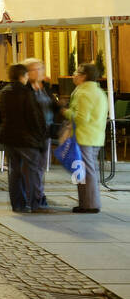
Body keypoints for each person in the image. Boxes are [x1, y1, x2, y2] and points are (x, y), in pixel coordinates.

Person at [0, 63, 49, 213]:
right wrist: (40, 137)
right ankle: (35, 203)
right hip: (26, 139)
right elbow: (34, 117)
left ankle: (17, 204)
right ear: (22, 76)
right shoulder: (26, 93)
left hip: (9, 137)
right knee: (32, 171)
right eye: (26, 75)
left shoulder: (3, 92)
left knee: (14, 172)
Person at [64, 63, 108, 213]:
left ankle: (90, 205)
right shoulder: (97, 91)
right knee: (85, 171)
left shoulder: (84, 93)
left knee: (86, 172)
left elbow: (81, 118)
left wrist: (65, 112)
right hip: (94, 136)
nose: (74, 75)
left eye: (76, 73)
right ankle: (86, 203)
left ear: (83, 76)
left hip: (84, 137)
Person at [25, 57, 60, 204]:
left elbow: (52, 104)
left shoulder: (45, 87)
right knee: (32, 166)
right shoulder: (25, 89)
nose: (40, 72)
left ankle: (38, 194)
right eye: (36, 69)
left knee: (40, 166)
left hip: (46, 132)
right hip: (32, 133)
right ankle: (35, 196)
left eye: (41, 68)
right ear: (28, 72)